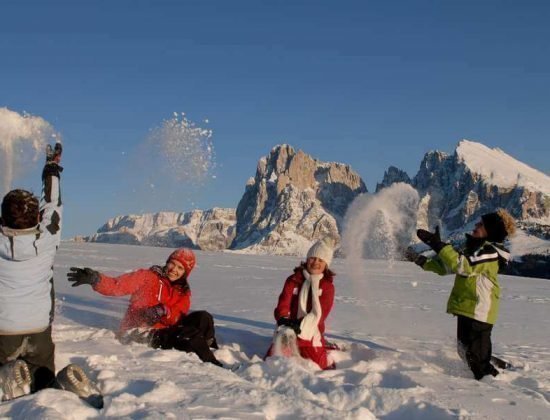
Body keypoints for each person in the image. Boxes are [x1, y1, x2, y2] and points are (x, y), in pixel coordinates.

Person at [0, 143, 101, 407]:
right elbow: (53, 202)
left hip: (2, 330)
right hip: (39, 329)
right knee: (41, 375)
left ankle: (6, 378)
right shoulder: (49, 237)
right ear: (37, 218)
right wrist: (52, 167)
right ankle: (59, 385)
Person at [406, 209, 516, 380]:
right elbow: (446, 267)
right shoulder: (474, 249)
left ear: (490, 231)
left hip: (480, 310)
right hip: (467, 306)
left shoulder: (490, 253)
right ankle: (487, 359)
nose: (476, 225)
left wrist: (438, 244)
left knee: (478, 366)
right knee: (464, 351)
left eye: (481, 225)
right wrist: (420, 260)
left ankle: (494, 382)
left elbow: (462, 265)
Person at [67, 248, 222, 366]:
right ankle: (212, 364)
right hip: (140, 332)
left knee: (204, 318)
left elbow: (178, 315)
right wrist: (95, 279)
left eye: (180, 268)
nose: (174, 270)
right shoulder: (148, 277)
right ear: (167, 262)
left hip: (164, 328)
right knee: (190, 334)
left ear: (186, 273)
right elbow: (117, 286)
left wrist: (164, 311)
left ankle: (208, 346)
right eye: (172, 264)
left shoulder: (183, 291)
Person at [266, 238, 336, 369]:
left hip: (311, 331)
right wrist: (283, 319)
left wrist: (300, 325)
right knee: (273, 361)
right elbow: (283, 303)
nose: (316, 263)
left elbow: (321, 314)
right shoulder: (293, 280)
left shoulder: (327, 287)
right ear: (307, 260)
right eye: (312, 258)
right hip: (287, 329)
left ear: (326, 265)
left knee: (319, 366)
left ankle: (325, 346)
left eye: (320, 260)